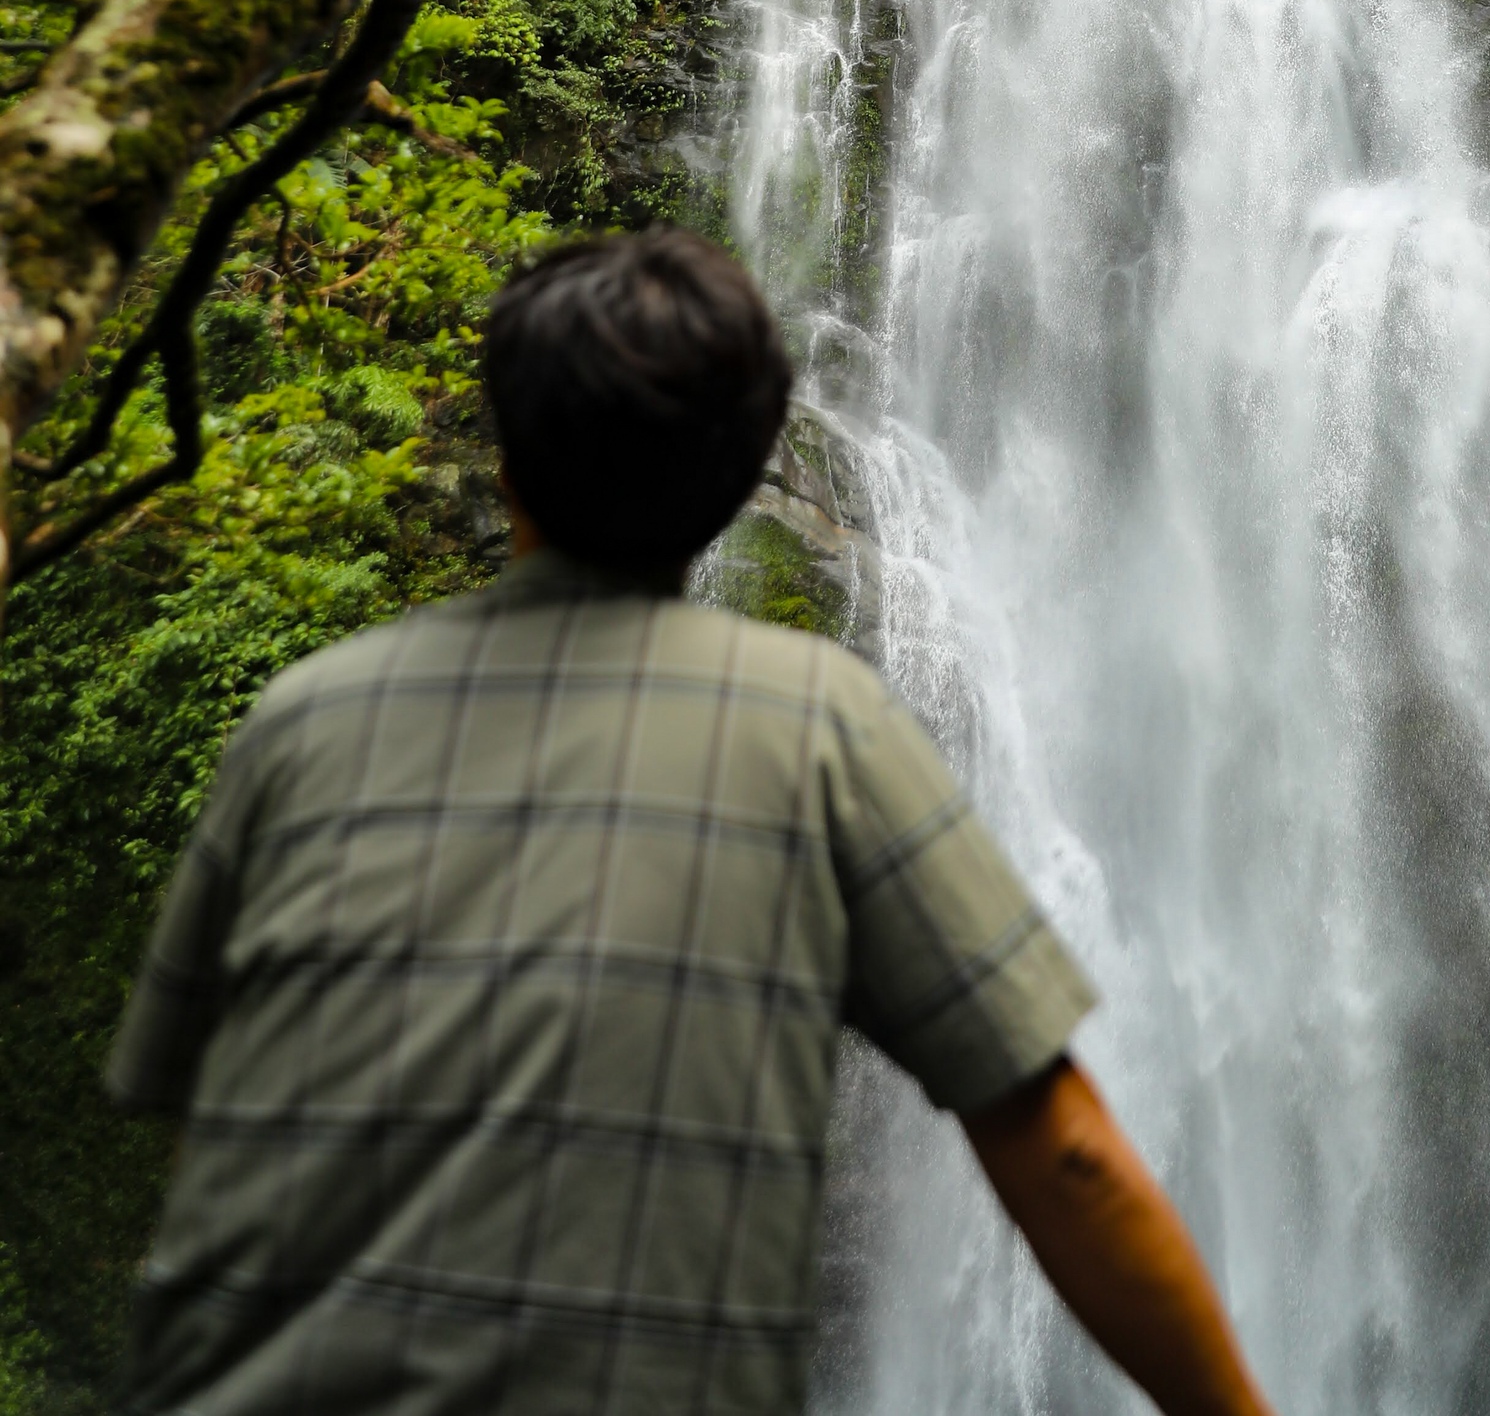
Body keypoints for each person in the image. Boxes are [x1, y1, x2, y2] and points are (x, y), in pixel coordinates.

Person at [108, 224, 1279, 1416]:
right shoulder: (818, 728)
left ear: (505, 462)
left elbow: (200, 1121)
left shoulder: (299, 724)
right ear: (740, 478)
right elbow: (1067, 1154)